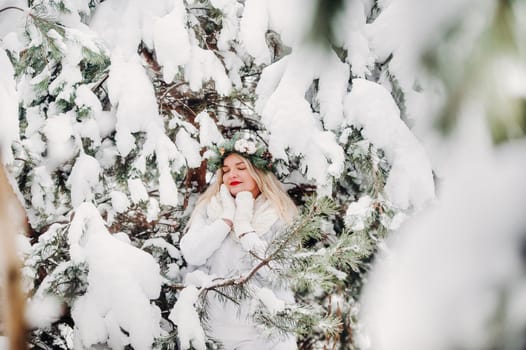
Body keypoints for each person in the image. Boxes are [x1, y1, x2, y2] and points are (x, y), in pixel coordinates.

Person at [179, 132, 298, 350]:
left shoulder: (278, 214)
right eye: (225, 170)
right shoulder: (210, 208)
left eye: (241, 168)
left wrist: (244, 228)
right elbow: (192, 253)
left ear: (258, 173)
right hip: (212, 336)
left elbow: (278, 273)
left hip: (265, 338)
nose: (232, 174)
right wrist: (226, 220)